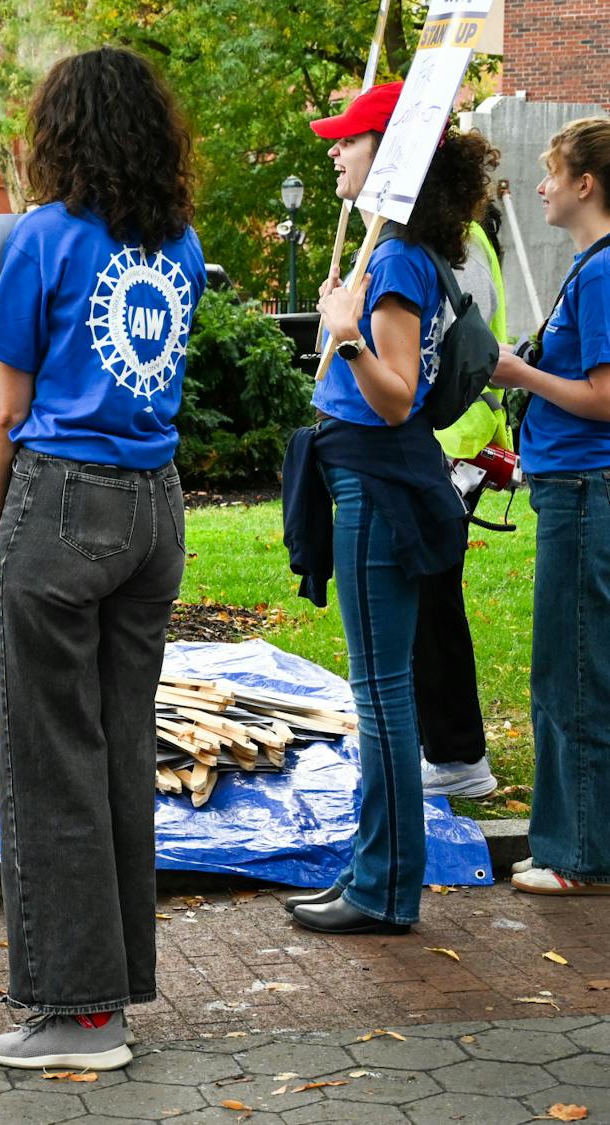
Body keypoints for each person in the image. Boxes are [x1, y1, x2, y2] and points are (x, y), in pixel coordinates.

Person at [0, 46, 205, 1070]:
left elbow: (8, 410)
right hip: (157, 507)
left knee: (51, 757)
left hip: (62, 501)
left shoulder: (45, 238)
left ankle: (74, 1015)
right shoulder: (178, 243)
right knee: (117, 748)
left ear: (62, 133)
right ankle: (113, 991)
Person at [281, 82, 497, 935]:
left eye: (350, 141)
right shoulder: (400, 251)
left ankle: (384, 888)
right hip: (372, 478)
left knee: (380, 696)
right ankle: (376, 874)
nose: (334, 152)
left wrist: (345, 330)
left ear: (393, 154)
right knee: (384, 690)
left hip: (379, 481)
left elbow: (399, 394)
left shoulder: (401, 259)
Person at [491, 116, 610, 896]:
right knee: (580, 665)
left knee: (569, 672)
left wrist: (516, 373)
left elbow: (603, 397)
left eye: (552, 173)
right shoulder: (589, 267)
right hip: (575, 487)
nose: (540, 187)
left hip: (583, 489)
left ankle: (576, 854)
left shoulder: (600, 274)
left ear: (586, 183)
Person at [412, 211, 512, 802]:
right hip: (445, 443)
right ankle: (445, 747)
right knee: (426, 600)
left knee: (433, 601)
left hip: (453, 445)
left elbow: (460, 351)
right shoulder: (452, 234)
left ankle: (458, 755)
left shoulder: (460, 238)